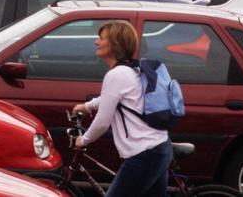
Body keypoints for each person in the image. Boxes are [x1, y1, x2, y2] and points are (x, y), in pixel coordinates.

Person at [71, 21, 172, 197]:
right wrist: (87, 106)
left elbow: (102, 122)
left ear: (114, 44)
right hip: (160, 148)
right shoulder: (134, 70)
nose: (96, 42)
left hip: (144, 155)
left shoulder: (116, 75)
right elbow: (112, 97)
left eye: (101, 38)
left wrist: (83, 140)